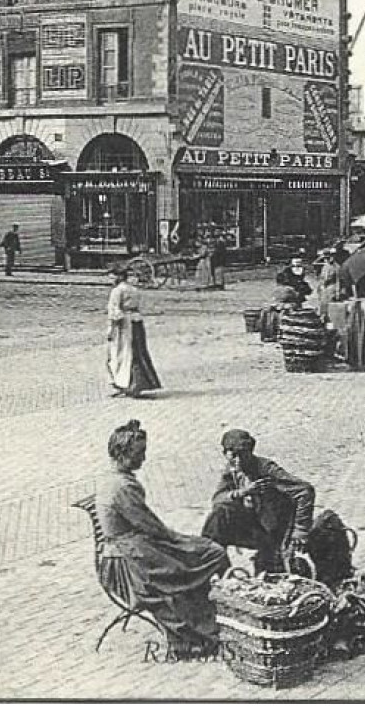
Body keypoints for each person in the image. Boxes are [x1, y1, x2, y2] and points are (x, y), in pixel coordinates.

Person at [97, 420, 229, 659]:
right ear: (123, 453)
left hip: (135, 548)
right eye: (139, 453)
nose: (143, 459)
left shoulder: (113, 478)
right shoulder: (122, 487)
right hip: (130, 562)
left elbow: (149, 527)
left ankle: (209, 621)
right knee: (206, 556)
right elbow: (151, 526)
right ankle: (199, 633)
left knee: (198, 554)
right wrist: (182, 541)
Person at [202, 430, 317, 575]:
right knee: (218, 516)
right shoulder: (232, 469)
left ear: (250, 452)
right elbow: (218, 498)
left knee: (271, 575)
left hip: (273, 529)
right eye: (232, 456)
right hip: (252, 524)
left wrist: (300, 530)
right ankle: (218, 571)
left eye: (242, 455)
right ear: (225, 454)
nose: (238, 461)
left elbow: (305, 490)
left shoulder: (266, 469)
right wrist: (243, 492)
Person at [106, 266, 162, 398]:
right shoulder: (135, 290)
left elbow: (115, 311)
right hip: (136, 322)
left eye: (112, 277)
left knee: (121, 354)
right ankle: (139, 383)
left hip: (124, 325)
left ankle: (126, 385)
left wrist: (111, 329)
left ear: (119, 277)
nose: (110, 280)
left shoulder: (117, 291)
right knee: (137, 352)